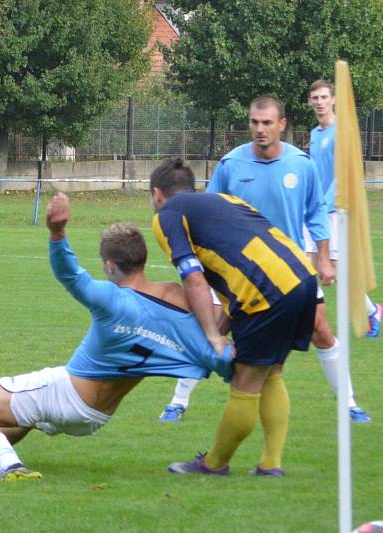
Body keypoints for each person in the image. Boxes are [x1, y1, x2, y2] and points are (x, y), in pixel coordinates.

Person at [0, 192, 234, 481]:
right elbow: (212, 348)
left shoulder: (113, 298)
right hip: (98, 417)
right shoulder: (176, 303)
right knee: (22, 419)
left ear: (109, 266)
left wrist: (57, 233)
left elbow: (71, 275)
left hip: (68, 392)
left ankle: (11, 468)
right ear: (143, 259)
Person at [158, 95, 372, 425]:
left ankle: (350, 403)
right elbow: (206, 210)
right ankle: (178, 402)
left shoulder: (302, 164)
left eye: (268, 123)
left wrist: (325, 258)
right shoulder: (231, 165)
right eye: (255, 123)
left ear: (282, 125)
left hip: (289, 269)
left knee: (322, 331)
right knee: (212, 330)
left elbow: (316, 212)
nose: (260, 129)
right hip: (236, 273)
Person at [151, 158, 318, 476]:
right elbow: (241, 257)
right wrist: (223, 324)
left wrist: (213, 337)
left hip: (266, 292)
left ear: (158, 194)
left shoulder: (166, 215)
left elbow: (194, 279)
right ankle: (271, 464)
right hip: (301, 278)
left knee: (248, 380)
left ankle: (214, 464)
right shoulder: (225, 199)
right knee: (272, 373)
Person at [306, 79, 382, 338]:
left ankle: (371, 310)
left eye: (324, 97)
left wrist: (323, 204)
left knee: (334, 271)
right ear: (309, 102)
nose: (319, 102)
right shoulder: (314, 134)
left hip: (333, 211)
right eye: (315, 98)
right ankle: (307, 321)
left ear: (333, 99)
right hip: (314, 211)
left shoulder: (342, 132)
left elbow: (341, 175)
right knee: (307, 265)